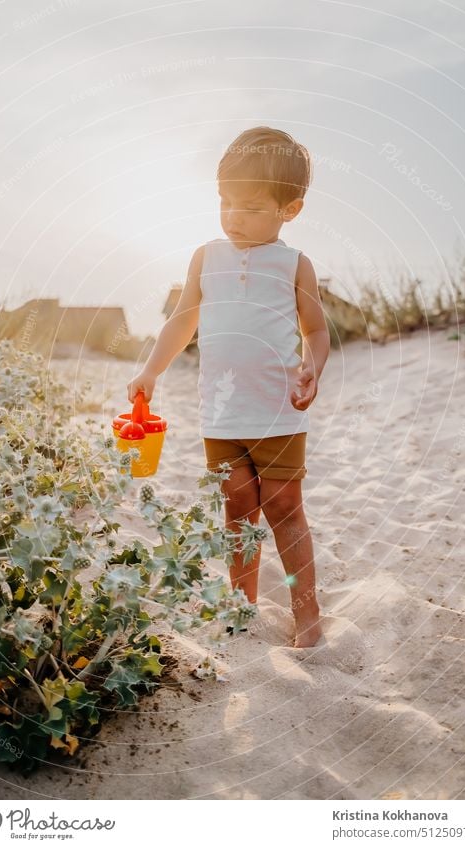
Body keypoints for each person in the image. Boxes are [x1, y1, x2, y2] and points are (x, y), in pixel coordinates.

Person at [127, 126, 330, 647]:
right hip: (220, 413)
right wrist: (151, 369)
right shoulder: (205, 257)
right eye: (225, 202)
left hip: (279, 411)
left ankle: (306, 614)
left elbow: (316, 329)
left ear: (291, 208)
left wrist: (314, 366)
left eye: (252, 206)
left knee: (285, 507)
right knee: (237, 506)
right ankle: (243, 605)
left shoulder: (293, 264)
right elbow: (181, 321)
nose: (234, 217)